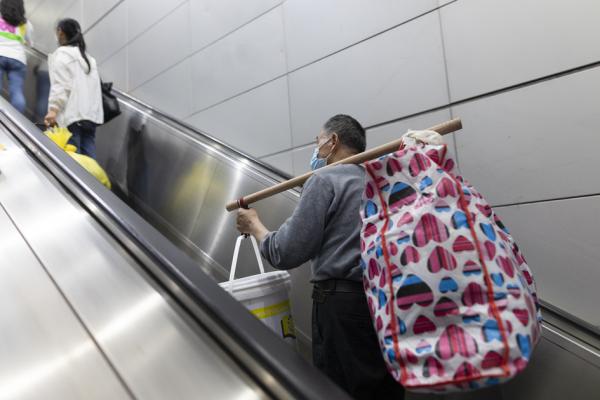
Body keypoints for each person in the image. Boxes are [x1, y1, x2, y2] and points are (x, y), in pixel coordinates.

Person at [236, 114, 404, 400]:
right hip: (382, 302)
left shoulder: (325, 179)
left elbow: (286, 251)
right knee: (379, 388)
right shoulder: (379, 183)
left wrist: (254, 226)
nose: (316, 151)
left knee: (337, 389)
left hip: (340, 307)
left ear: (333, 142)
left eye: (318, 143)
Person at [44, 18, 103, 159]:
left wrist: (53, 110)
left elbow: (62, 85)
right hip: (91, 115)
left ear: (61, 32)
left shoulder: (62, 55)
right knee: (89, 158)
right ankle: (91, 181)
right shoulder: (88, 58)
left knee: (73, 158)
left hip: (73, 115)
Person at [0, 0, 33, 114]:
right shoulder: (26, 24)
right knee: (16, 91)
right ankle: (17, 119)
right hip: (18, 58)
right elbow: (30, 43)